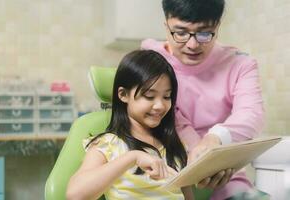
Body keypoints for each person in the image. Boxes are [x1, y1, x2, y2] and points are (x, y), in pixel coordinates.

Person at [141, 0, 264, 199]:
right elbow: (171, 119)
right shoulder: (150, 61)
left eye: (204, 33)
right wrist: (199, 155)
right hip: (166, 169)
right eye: (180, 32)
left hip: (223, 172)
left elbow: (252, 114)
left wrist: (214, 142)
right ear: (166, 26)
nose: (192, 45)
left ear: (217, 26)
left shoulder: (240, 63)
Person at [66, 50, 194, 200]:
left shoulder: (175, 147)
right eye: (149, 96)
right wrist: (132, 157)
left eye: (167, 96)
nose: (160, 105)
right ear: (123, 95)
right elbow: (75, 195)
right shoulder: (109, 145)